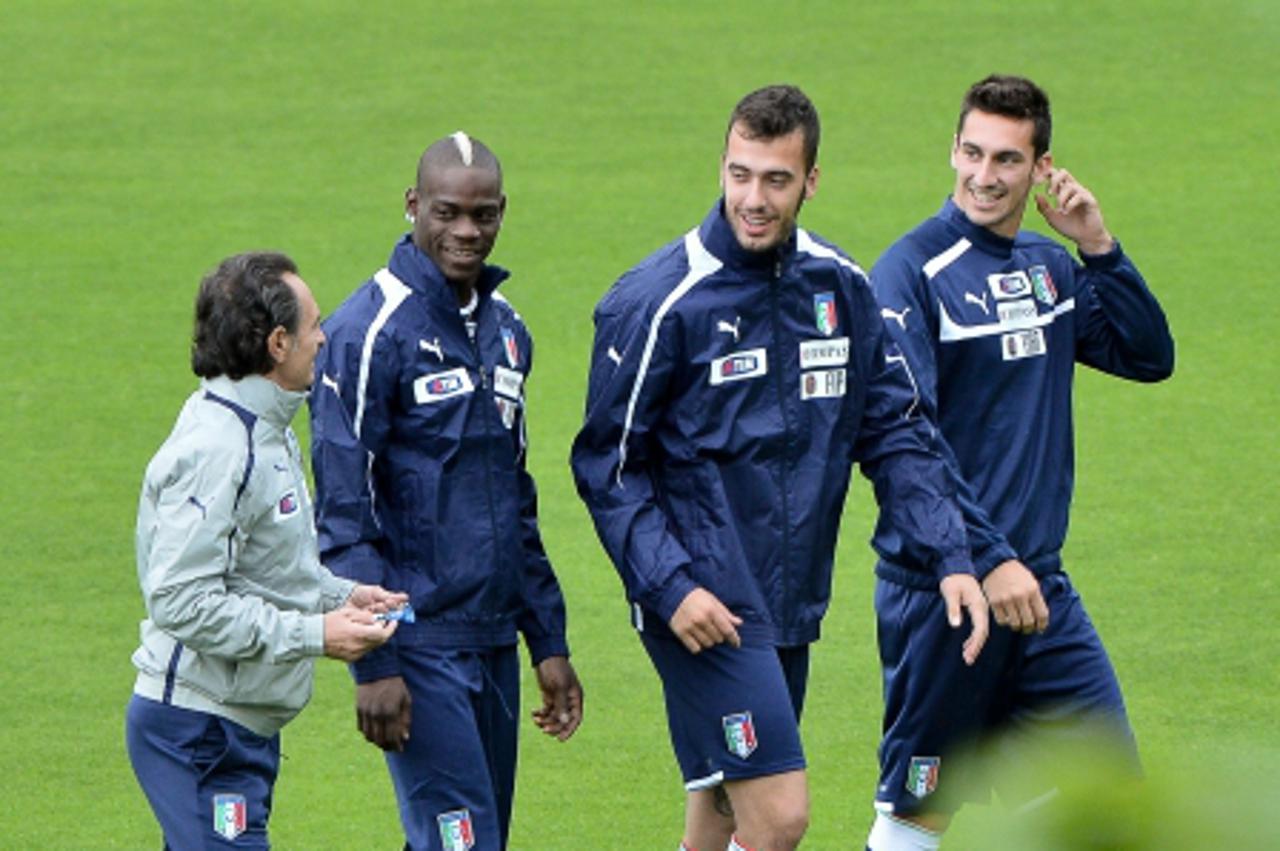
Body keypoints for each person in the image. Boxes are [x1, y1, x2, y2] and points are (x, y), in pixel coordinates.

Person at [571, 85, 990, 851]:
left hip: (792, 595)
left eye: (775, 179)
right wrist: (672, 587)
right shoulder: (658, 301)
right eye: (739, 174)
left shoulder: (839, 285)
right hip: (704, 602)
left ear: (811, 181)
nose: (753, 199)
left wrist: (951, 555)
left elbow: (895, 432)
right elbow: (607, 465)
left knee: (721, 820)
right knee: (779, 817)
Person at [865, 74, 1174, 850]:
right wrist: (987, 558)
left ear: (1040, 167)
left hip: (1040, 591)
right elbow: (909, 437)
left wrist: (1097, 245)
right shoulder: (910, 273)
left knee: (1110, 802)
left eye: (1007, 158)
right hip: (949, 593)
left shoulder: (1051, 268)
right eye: (971, 152)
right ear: (952, 151)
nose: (983, 174)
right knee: (916, 816)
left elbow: (1147, 355)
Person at [309, 132, 583, 851]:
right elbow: (342, 508)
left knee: (463, 838)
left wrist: (545, 638)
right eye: (448, 212)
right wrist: (376, 659)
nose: (467, 232)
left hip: (492, 638)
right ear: (412, 206)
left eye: (484, 214)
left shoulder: (509, 332)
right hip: (419, 637)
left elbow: (514, 498)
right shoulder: (366, 331)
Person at [126, 251, 406, 849]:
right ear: (279, 342)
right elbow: (180, 601)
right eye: (314, 325)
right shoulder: (219, 448)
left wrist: (345, 595)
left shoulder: (265, 429)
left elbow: (265, 571)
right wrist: (316, 634)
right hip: (198, 727)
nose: (324, 337)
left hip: (239, 723)